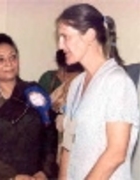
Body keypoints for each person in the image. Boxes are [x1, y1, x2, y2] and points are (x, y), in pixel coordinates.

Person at [56, 3, 139, 180]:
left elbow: (116, 153)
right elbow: (68, 145)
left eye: (65, 37)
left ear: (90, 35)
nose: (60, 46)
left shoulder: (117, 82)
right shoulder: (77, 84)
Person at [0, 33, 58, 180]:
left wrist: (45, 172)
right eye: (0, 60)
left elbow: (50, 133)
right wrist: (12, 177)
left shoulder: (34, 91)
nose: (9, 63)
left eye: (13, 57)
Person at [38, 49, 83, 163]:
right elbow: (36, 115)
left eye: (72, 73)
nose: (66, 77)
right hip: (48, 147)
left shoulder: (85, 82)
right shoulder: (48, 79)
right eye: (64, 71)